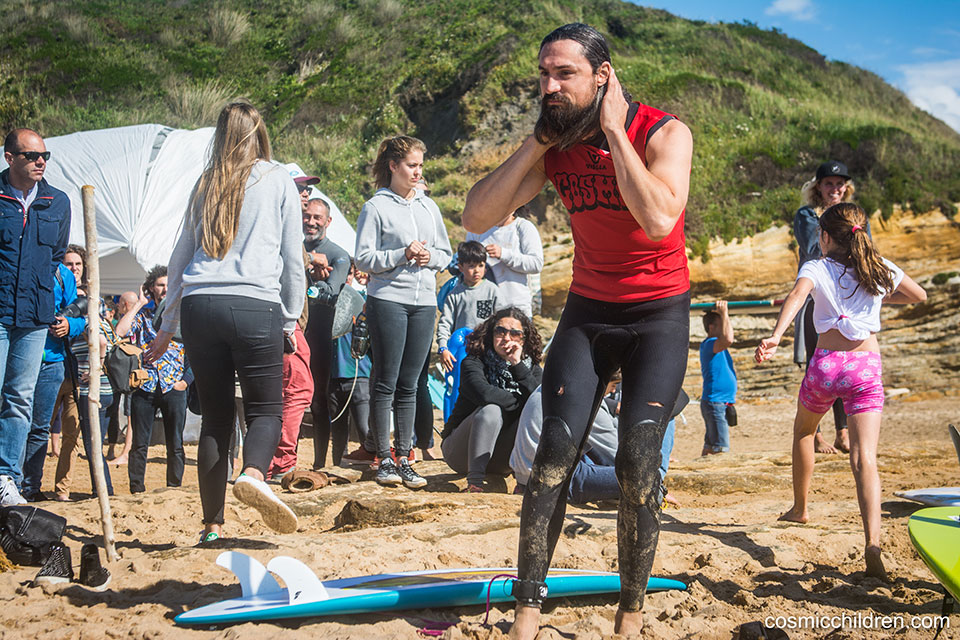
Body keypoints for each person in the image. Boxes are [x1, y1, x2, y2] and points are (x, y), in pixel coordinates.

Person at [462, 23, 693, 638]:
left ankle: (629, 616)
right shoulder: (555, 145)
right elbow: (477, 216)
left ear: (603, 76)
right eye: (543, 74)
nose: (549, 85)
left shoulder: (663, 133)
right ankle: (526, 616)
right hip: (590, 311)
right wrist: (537, 143)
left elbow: (659, 221)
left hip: (658, 313)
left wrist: (615, 132)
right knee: (552, 456)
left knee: (639, 460)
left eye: (564, 73)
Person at [146, 101, 306, 541]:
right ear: (259, 132)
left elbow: (178, 260)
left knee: (215, 419)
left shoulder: (207, 181)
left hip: (200, 305)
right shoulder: (277, 178)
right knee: (265, 409)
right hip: (254, 303)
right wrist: (290, 320)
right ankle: (253, 474)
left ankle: (212, 526)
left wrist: (167, 326)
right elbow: (293, 259)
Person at [755, 202, 926, 580]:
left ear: (825, 237)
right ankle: (873, 543)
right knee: (865, 458)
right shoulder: (878, 267)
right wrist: (879, 297)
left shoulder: (816, 266)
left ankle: (800, 508)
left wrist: (776, 336)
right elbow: (919, 295)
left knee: (804, 431)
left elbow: (797, 296)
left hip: (826, 366)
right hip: (865, 368)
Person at [354, 135, 452, 489]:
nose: (417, 172)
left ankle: (405, 457)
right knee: (386, 380)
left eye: (420, 165)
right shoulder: (375, 207)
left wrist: (430, 257)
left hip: (424, 301)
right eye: (411, 165)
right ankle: (382, 457)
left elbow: (446, 254)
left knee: (411, 383)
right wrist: (401, 254)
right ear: (393, 166)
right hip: (387, 299)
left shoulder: (429, 207)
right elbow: (363, 258)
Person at [0, 128, 71, 507]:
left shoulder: (57, 201)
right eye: (31, 156)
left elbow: (56, 255)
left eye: (45, 155)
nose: (40, 161)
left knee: (19, 399)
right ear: (10, 158)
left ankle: (6, 479)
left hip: (34, 316)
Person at [794, 160, 859, 455]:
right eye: (829, 183)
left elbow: (866, 249)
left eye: (839, 183)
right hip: (816, 298)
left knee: (847, 363)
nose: (835, 188)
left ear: (846, 187)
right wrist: (836, 226)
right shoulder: (807, 215)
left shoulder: (855, 215)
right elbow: (813, 250)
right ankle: (815, 433)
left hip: (848, 299)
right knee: (817, 364)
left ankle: (842, 432)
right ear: (818, 187)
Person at [441, 309, 542, 492]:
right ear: (490, 334)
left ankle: (523, 483)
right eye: (500, 331)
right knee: (492, 410)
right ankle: (475, 483)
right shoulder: (473, 362)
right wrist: (522, 402)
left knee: (534, 414)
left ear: (523, 339)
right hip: (461, 452)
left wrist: (517, 365)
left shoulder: (531, 369)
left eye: (515, 333)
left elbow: (540, 402)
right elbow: (485, 395)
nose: (506, 338)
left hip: (501, 459)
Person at [115, 265, 187, 494]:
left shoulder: (181, 315)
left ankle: (174, 488)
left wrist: (186, 381)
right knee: (139, 443)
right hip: (145, 385)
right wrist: (139, 303)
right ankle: (137, 487)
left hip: (173, 385)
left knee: (175, 443)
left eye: (168, 285)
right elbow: (120, 331)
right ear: (151, 288)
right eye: (160, 285)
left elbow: (196, 349)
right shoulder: (143, 317)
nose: (165, 289)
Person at [21, 262, 85, 500]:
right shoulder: (15, 260)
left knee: (39, 428)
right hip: (18, 357)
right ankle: (10, 481)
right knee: (14, 420)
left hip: (53, 362)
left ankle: (30, 488)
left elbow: (81, 318)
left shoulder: (62, 274)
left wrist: (69, 325)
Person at [302, 194, 350, 469]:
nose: (311, 222)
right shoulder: (296, 249)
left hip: (324, 337)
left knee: (323, 400)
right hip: (296, 333)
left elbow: (331, 293)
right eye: (307, 216)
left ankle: (326, 464)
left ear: (328, 221)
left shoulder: (338, 254)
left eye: (317, 218)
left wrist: (310, 281)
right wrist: (311, 265)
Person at [327, 263, 373, 466]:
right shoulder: (325, 300)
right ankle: (337, 468)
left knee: (365, 428)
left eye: (349, 274)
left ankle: (371, 467)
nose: (346, 279)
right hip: (333, 375)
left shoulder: (361, 301)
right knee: (337, 431)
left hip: (359, 374)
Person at [465, 205, 543, 318]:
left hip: (515, 306)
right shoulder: (477, 230)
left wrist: (504, 254)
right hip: (482, 307)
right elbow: (465, 263)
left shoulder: (523, 227)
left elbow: (536, 264)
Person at [437, 241, 500, 373]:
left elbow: (501, 321)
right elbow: (445, 323)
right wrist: (443, 347)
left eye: (481, 265)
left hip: (487, 351)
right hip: (462, 352)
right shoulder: (454, 294)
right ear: (460, 267)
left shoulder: (492, 290)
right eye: (471, 266)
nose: (477, 270)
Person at [699, 301, 736, 456]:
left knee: (710, 447)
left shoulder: (715, 345)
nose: (726, 327)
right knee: (720, 449)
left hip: (718, 402)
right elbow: (728, 339)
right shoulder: (710, 344)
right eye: (722, 324)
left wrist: (723, 316)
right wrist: (724, 313)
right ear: (712, 327)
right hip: (715, 403)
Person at [105, 291, 138, 465]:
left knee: (131, 413)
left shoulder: (136, 320)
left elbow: (119, 333)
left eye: (119, 304)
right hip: (119, 372)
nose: (117, 306)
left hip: (132, 373)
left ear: (124, 304)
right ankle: (113, 449)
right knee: (115, 410)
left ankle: (126, 452)